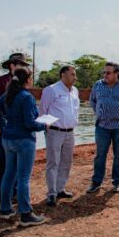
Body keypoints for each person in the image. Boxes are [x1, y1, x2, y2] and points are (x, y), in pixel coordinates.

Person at [0, 67, 50, 226]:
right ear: (27, 79)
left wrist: (3, 124)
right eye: (31, 77)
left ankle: (6, 209)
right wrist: (45, 125)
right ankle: (25, 214)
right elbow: (30, 124)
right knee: (23, 178)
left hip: (8, 139)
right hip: (24, 141)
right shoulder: (26, 97)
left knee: (9, 174)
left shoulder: (9, 94)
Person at [0, 52, 29, 211]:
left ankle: (13, 194)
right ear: (12, 66)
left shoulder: (23, 83)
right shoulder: (2, 82)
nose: (23, 67)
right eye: (20, 64)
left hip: (20, 133)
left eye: (24, 65)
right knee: (2, 164)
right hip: (6, 132)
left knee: (17, 165)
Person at [87, 62, 119, 194]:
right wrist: (100, 112)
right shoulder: (98, 85)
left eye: (108, 73)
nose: (105, 75)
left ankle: (117, 181)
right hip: (102, 126)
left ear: (117, 73)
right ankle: (96, 182)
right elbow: (92, 101)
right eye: (104, 72)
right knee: (100, 155)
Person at [39, 66, 79, 207]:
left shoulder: (74, 91)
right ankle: (51, 193)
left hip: (70, 132)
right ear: (63, 75)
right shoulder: (51, 90)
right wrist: (46, 127)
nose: (75, 77)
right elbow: (43, 110)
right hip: (55, 132)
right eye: (72, 74)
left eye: (75, 75)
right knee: (53, 162)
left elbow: (75, 110)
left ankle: (60, 188)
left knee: (66, 161)